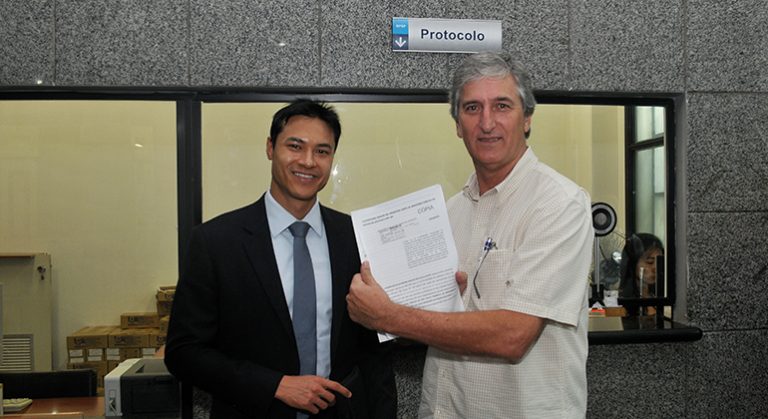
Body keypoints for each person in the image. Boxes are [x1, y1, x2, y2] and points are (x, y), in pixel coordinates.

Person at [346, 52, 594, 418]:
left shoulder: (559, 204)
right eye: (472, 108)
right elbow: (434, 321)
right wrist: (396, 301)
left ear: (527, 118)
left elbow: (513, 335)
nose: (487, 122)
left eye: (502, 106)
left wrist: (388, 316)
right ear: (458, 125)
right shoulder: (450, 212)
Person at [165, 99, 396, 419]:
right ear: (270, 148)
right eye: (295, 146)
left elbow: (373, 352)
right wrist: (273, 385)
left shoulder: (355, 238)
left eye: (322, 151)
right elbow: (183, 353)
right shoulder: (215, 242)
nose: (308, 161)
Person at [619, 233, 664, 315]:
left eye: (659, 262)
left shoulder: (659, 297)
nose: (655, 268)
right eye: (650, 262)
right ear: (633, 263)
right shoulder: (620, 301)